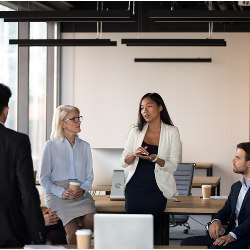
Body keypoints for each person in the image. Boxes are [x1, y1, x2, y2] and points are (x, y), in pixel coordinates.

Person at [121, 92, 181, 243]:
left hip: (157, 189)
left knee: (152, 233)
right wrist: (134, 154)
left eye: (149, 106)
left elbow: (173, 166)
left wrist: (154, 158)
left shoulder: (172, 132)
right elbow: (123, 161)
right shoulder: (136, 131)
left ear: (160, 107)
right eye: (142, 108)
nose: (145, 111)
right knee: (133, 233)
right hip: (135, 188)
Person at [40, 105, 96, 245]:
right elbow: (43, 178)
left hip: (80, 193)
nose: (78, 121)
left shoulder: (85, 146)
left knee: (92, 219)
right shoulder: (50, 146)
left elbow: (89, 176)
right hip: (57, 194)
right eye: (74, 119)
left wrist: (83, 189)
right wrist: (61, 192)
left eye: (79, 118)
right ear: (62, 123)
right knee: (73, 232)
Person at [0, 83, 46, 247]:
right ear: (6, 110)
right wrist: (38, 238)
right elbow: (27, 192)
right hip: (8, 233)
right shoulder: (17, 141)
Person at [181, 142, 250, 249]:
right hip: (229, 234)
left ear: (249, 163)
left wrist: (232, 235)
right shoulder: (236, 186)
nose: (233, 160)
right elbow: (226, 209)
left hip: (245, 238)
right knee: (186, 244)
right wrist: (216, 221)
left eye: (237, 158)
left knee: (215, 248)